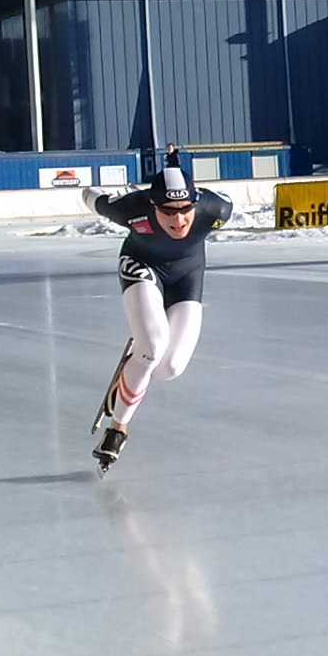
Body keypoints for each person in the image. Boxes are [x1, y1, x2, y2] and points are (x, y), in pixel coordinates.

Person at [88, 160, 235, 469]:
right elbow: (91, 196)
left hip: (187, 277)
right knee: (153, 346)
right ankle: (117, 429)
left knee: (169, 368)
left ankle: (133, 367)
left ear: (196, 203)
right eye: (167, 211)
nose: (178, 219)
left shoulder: (215, 210)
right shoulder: (130, 208)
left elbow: (225, 197)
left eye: (185, 209)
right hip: (141, 266)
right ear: (153, 205)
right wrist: (98, 195)